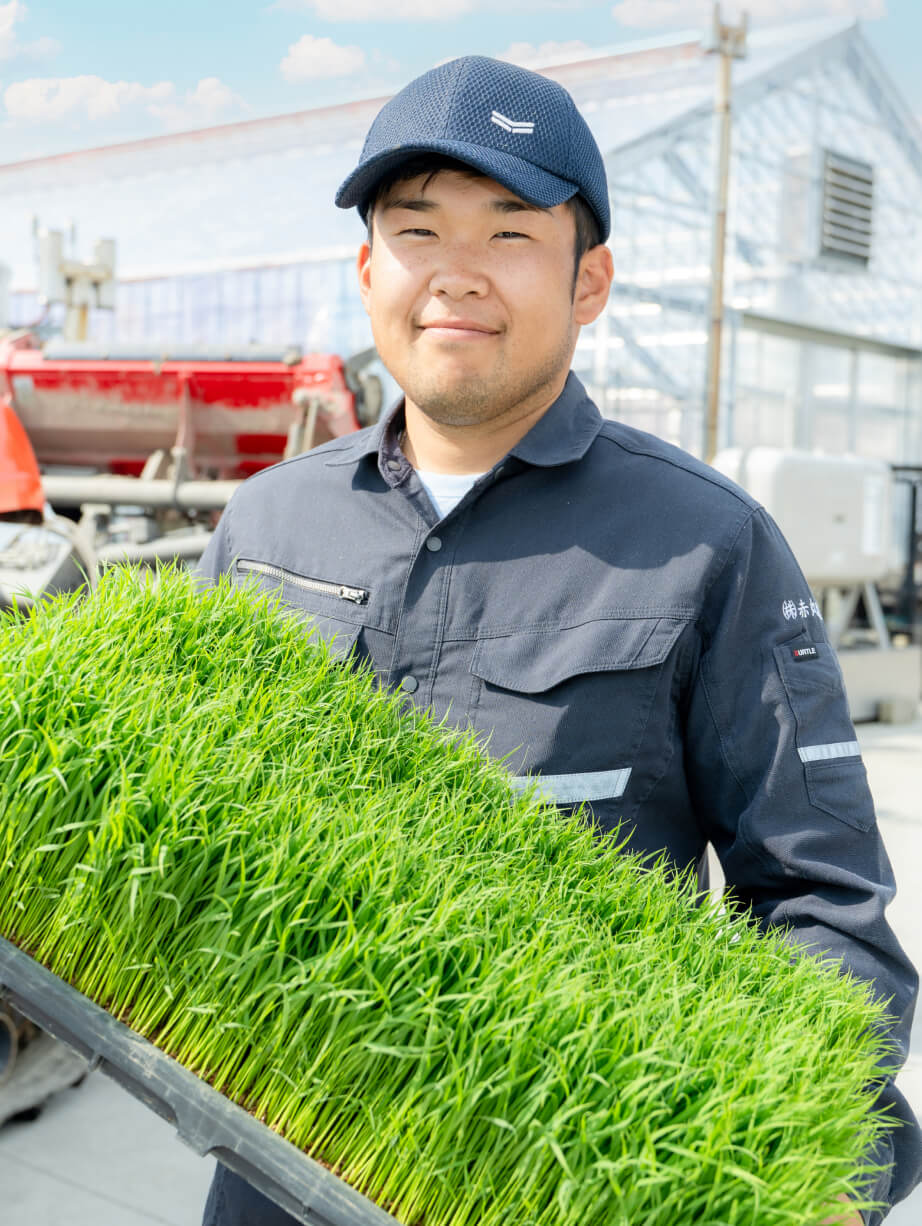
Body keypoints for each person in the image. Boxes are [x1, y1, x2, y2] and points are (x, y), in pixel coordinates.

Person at [198, 55, 920, 1226]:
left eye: (511, 233)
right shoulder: (269, 519)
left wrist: (820, 1166)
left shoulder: (705, 544)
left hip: (563, 1181)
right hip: (273, 1180)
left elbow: (819, 901)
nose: (455, 273)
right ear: (368, 266)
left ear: (590, 282)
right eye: (416, 227)